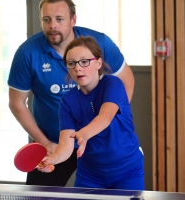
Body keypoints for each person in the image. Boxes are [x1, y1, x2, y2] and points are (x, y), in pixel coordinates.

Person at [7, 0, 135, 186]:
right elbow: (17, 103)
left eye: (60, 19)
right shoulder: (27, 53)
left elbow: (126, 81)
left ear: (73, 19)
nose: (53, 26)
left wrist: (109, 127)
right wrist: (45, 143)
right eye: (47, 19)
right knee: (38, 197)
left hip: (98, 143)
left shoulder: (101, 43)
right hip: (54, 143)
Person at [38, 36, 144, 190]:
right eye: (71, 63)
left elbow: (105, 117)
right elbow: (66, 145)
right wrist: (53, 158)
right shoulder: (68, 100)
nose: (78, 68)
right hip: (90, 174)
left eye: (84, 61)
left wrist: (84, 134)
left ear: (98, 63)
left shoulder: (112, 84)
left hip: (127, 170)